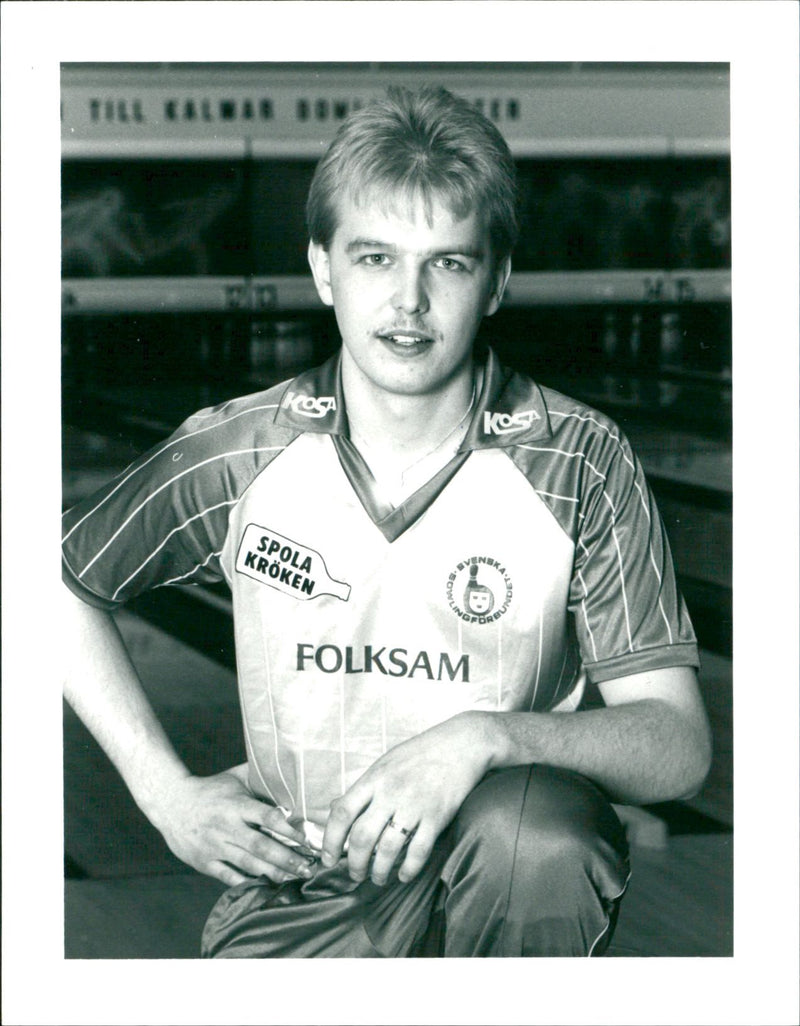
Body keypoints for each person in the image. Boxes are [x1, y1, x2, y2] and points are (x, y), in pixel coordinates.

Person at [62, 84, 712, 958]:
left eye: (447, 262)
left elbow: (677, 743)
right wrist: (165, 792)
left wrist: (486, 740)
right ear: (324, 268)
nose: (408, 302)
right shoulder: (236, 452)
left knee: (537, 834)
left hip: (502, 867)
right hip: (303, 876)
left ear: (496, 281)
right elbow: (51, 586)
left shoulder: (578, 460)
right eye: (375, 258)